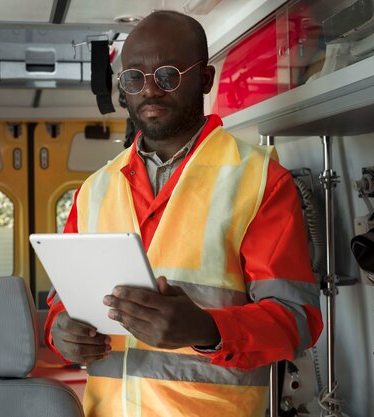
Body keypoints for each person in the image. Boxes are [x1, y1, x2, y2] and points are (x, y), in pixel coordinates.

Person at [44, 10, 324, 417]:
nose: (149, 91)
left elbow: (297, 321)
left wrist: (206, 330)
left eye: (168, 75)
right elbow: (60, 302)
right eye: (134, 78)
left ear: (205, 79)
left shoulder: (261, 180)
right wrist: (60, 332)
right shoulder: (94, 189)